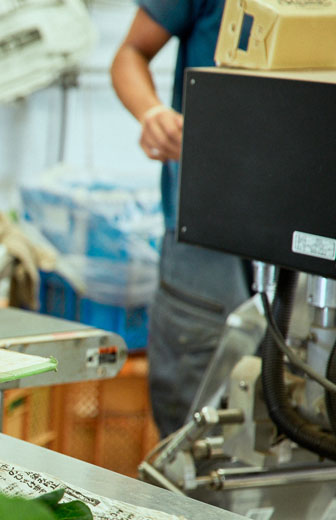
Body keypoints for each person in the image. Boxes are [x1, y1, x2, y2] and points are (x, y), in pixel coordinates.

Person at [110, 2, 251, 437]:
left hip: (313, 250)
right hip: (204, 241)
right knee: (193, 432)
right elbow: (130, 52)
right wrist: (152, 113)